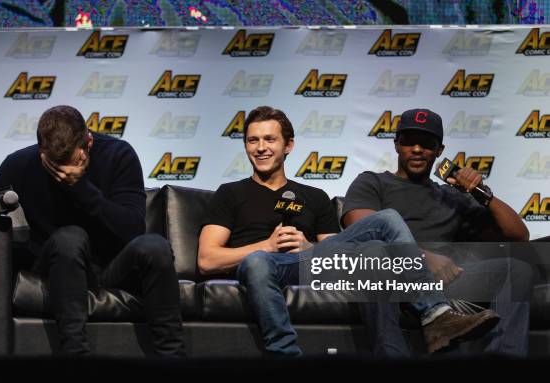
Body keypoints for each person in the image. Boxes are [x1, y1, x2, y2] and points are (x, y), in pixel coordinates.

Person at [197, 105, 498, 357]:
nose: (261, 148)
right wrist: (266, 245)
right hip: (261, 265)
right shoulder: (230, 193)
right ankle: (285, 355)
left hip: (307, 264)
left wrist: (308, 248)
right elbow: (207, 260)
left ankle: (436, 315)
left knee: (388, 218)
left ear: (288, 145)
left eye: (269, 139)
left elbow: (343, 259)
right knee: (257, 262)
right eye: (253, 141)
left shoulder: (314, 196)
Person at [0, 105, 185, 357]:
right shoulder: (22, 162)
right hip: (60, 264)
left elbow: (132, 228)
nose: (62, 173)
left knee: (154, 245)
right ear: (41, 152)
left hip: (114, 266)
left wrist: (81, 188)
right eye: (53, 166)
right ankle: (75, 360)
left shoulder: (118, 154)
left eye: (71, 163)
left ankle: (173, 360)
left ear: (87, 142)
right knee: (71, 237)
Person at [342, 108, 535, 357]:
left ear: (440, 150)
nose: (417, 149)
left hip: (446, 282)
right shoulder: (373, 182)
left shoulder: (452, 196)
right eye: (409, 142)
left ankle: (502, 364)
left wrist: (481, 193)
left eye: (426, 144)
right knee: (372, 250)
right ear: (397, 145)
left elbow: (519, 235)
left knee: (516, 269)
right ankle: (391, 358)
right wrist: (422, 258)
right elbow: (362, 227)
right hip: (391, 280)